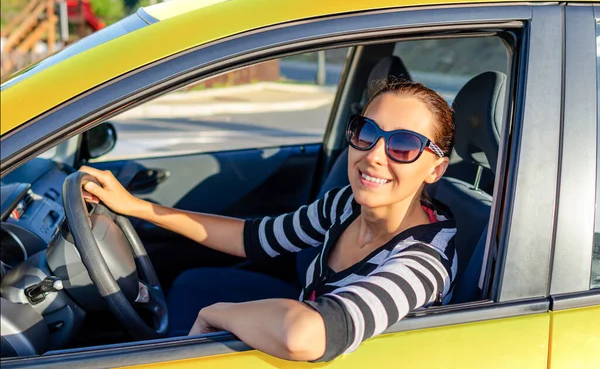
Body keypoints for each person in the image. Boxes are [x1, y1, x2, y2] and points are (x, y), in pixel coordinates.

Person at [80, 79, 457, 362]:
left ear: (436, 169)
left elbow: (307, 333)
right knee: (191, 286)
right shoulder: (346, 205)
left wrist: (220, 314)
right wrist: (137, 207)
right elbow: (253, 238)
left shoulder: (423, 262)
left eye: (402, 146)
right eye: (367, 133)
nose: (374, 155)